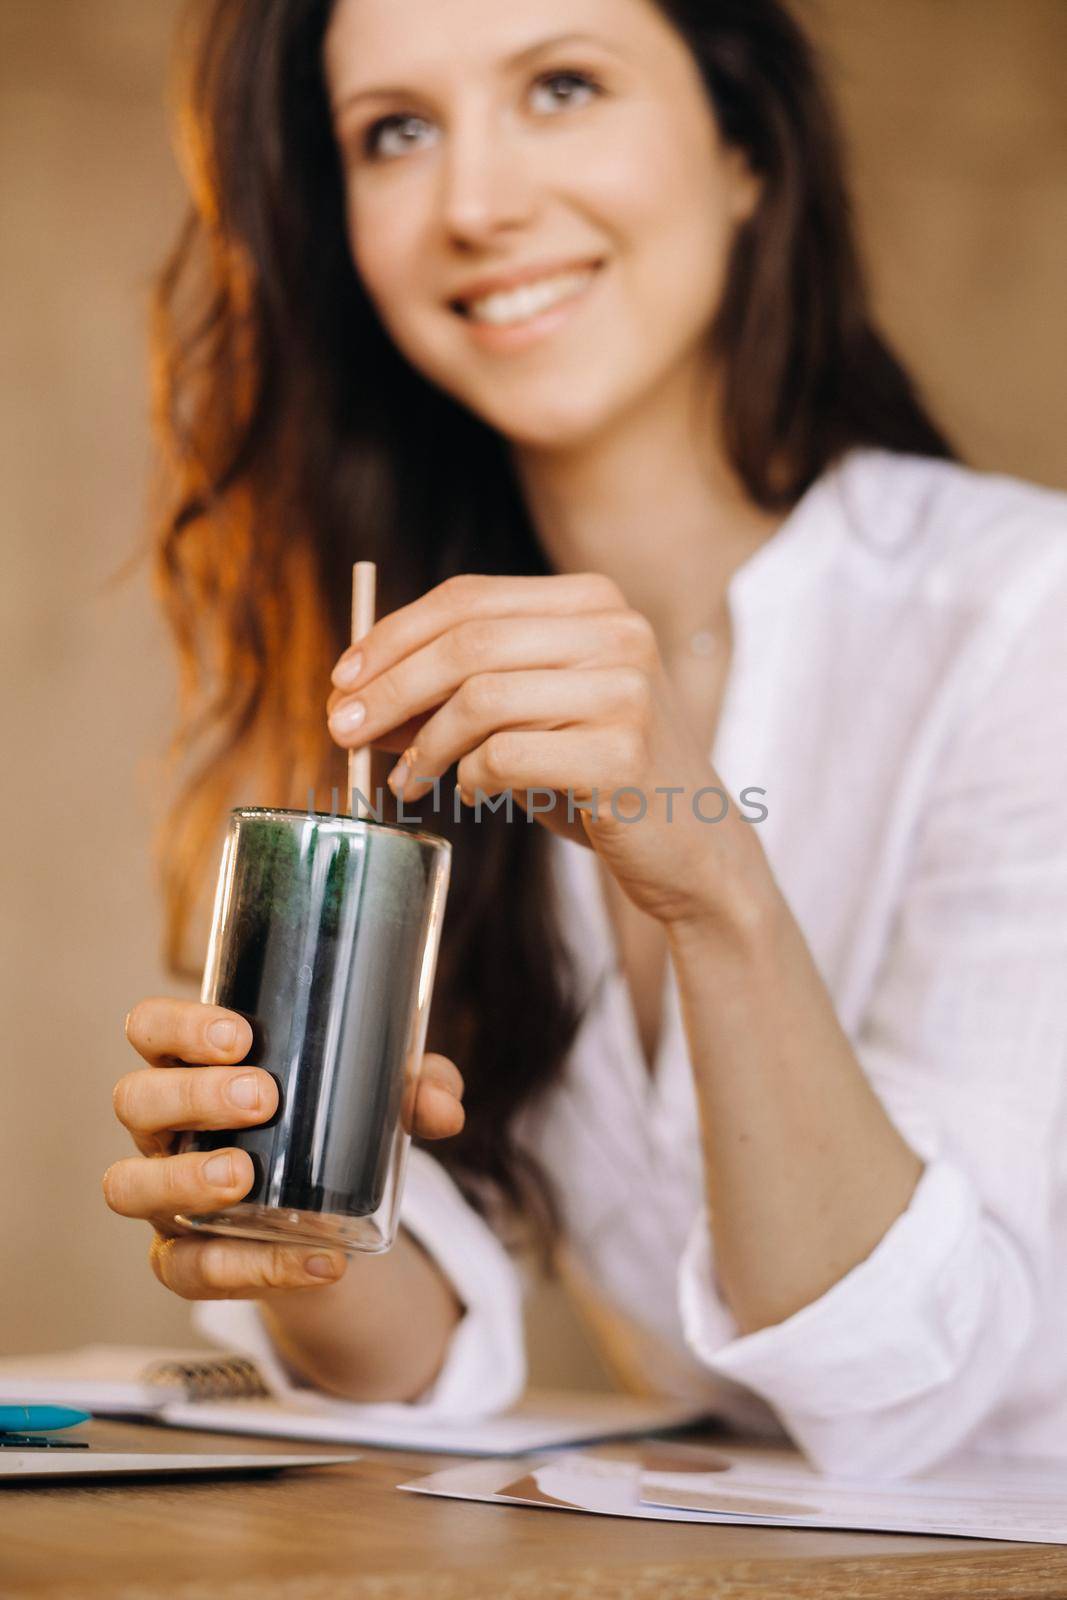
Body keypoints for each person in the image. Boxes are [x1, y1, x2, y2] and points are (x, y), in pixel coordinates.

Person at [104, 0, 1067, 1479]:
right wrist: (269, 1209)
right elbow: (431, 1349)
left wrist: (711, 886)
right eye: (397, 131)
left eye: (563, 84)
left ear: (748, 147)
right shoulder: (395, 656)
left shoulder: (1023, 617)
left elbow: (914, 1390)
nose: (477, 203)